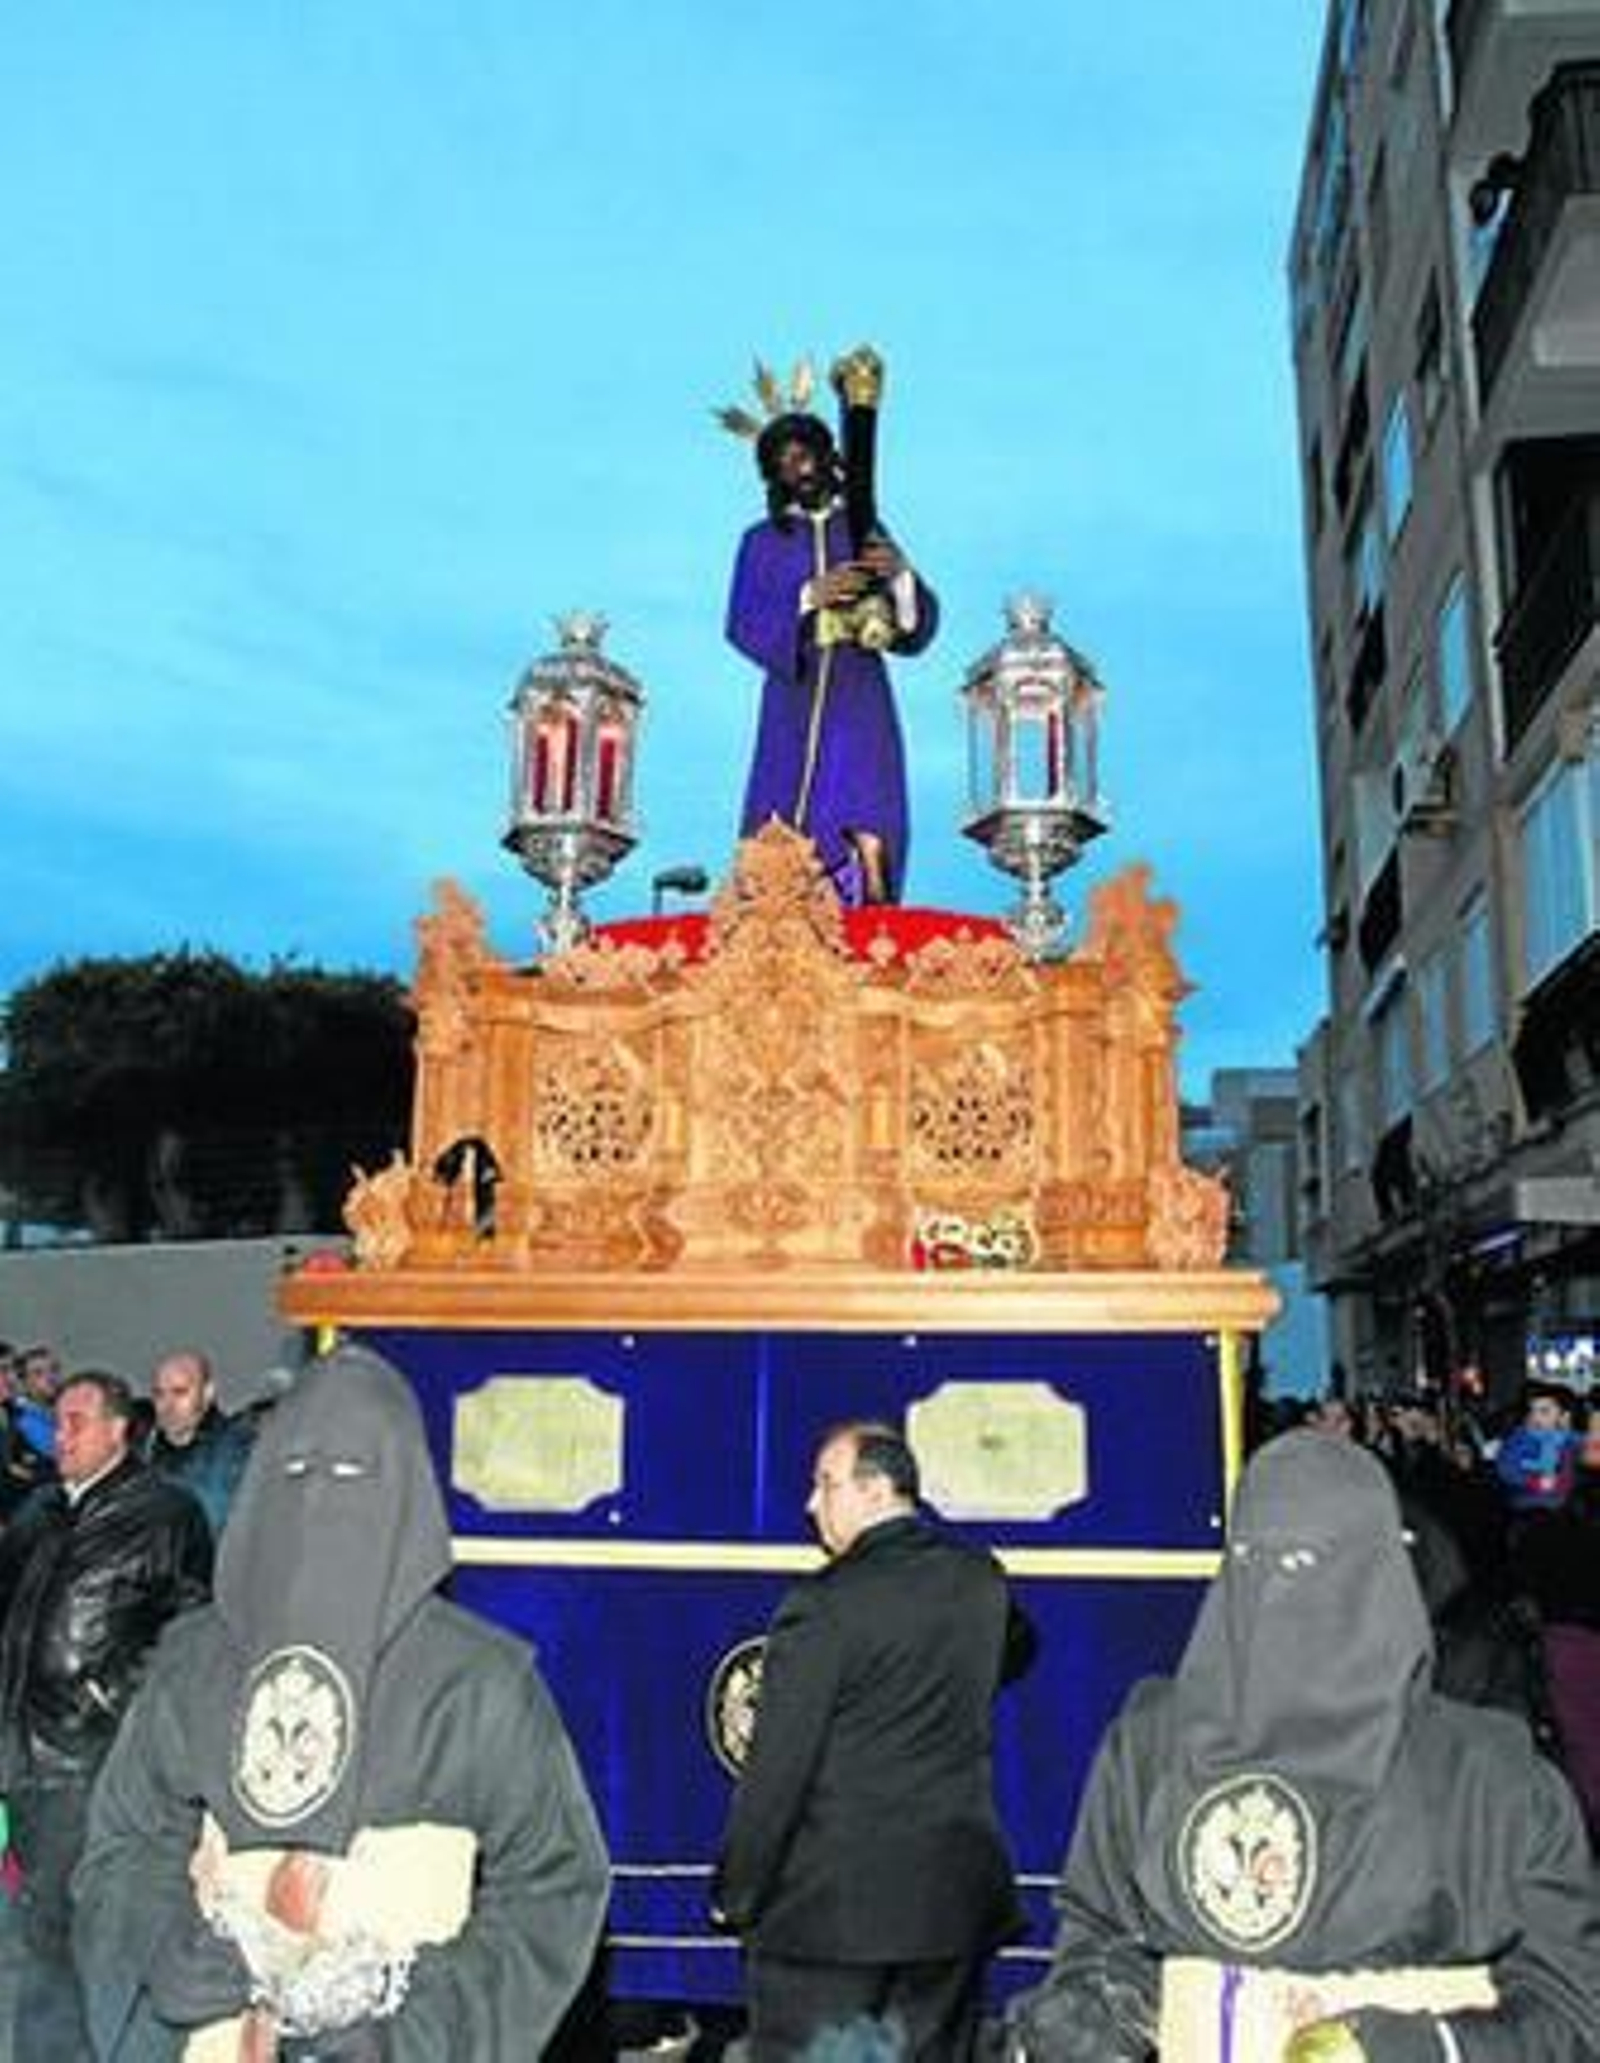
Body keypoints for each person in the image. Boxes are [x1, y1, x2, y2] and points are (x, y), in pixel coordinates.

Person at [73, 1342, 610, 2060]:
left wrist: (423, 2026)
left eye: (356, 1475)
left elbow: (556, 1884)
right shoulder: (197, 1660)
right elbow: (124, 1837)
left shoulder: (476, 1681)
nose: (322, 1500)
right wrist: (156, 1944)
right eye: (297, 1472)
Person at [1005, 1429, 1600, 2062]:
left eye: (1310, 1564)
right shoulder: (1150, 1748)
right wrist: (1098, 2012)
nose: (1280, 1592)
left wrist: (1424, 2046)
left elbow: (1573, 2007)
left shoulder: (1488, 1779)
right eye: (1255, 1558)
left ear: (1379, 1576)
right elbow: (1095, 1935)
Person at [713, 1421, 1030, 2061]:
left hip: (831, 1924)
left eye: (826, 1484)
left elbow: (777, 1773)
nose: (811, 1504)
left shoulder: (822, 1606)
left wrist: (738, 1892)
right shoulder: (980, 1581)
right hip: (948, 1909)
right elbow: (1018, 1649)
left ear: (878, 1491)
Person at [0, 1369, 213, 2057]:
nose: (60, 1436)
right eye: (57, 1421)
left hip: (93, 1756)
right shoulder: (40, 1511)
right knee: (37, 1923)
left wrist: (113, 1701)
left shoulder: (163, 1513)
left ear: (119, 1429)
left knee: (77, 1930)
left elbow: (190, 1632)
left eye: (77, 1421)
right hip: (25, 1749)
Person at [724, 352, 938, 908]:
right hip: (793, 694)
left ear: (826, 455)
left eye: (803, 454)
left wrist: (901, 576)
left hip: (858, 687)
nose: (797, 469)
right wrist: (806, 598)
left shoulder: (861, 525)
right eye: (783, 463)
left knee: (867, 798)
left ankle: (871, 907)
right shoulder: (762, 541)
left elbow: (911, 626)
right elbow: (742, 621)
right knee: (786, 812)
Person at [148, 1348, 255, 1537]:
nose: (167, 1406)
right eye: (159, 1394)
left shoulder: (238, 1450)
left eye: (180, 1392)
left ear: (207, 1393)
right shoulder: (146, 1453)